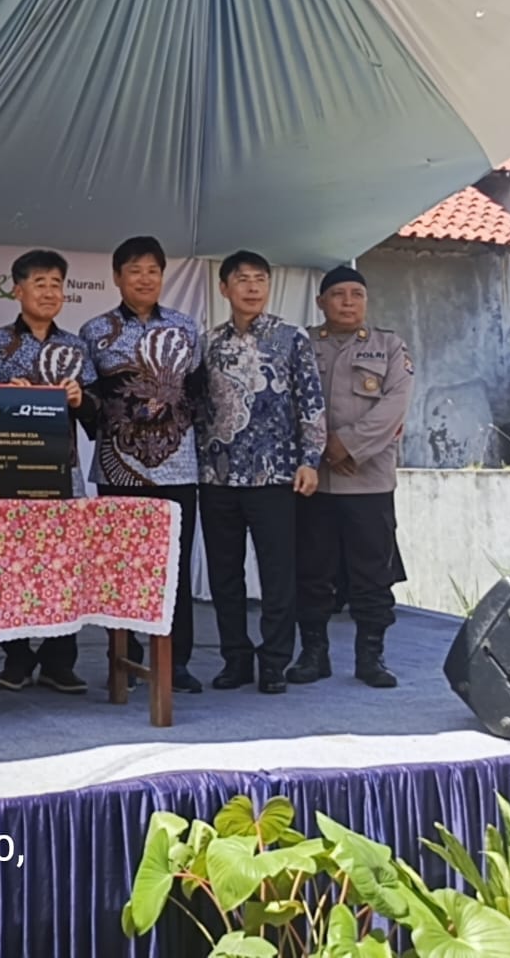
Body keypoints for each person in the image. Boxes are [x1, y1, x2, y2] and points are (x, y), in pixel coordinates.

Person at [195, 252, 325, 695]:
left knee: (277, 574)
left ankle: (274, 662)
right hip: (218, 476)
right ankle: (235, 659)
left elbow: (311, 401)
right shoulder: (208, 343)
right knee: (224, 575)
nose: (252, 287)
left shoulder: (291, 338)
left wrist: (311, 459)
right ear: (224, 288)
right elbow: (200, 408)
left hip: (275, 474)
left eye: (260, 280)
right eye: (242, 279)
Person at [80, 236, 205, 693]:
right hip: (119, 469)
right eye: (135, 270)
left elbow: (198, 394)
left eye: (153, 270)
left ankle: (177, 662)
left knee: (174, 567)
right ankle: (124, 656)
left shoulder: (186, 328)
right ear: (117, 277)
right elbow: (89, 401)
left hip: (178, 469)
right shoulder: (94, 331)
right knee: (121, 568)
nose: (145, 279)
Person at [0, 249, 97, 695]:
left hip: (64, 473)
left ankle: (60, 661)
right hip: (9, 474)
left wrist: (81, 399)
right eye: (39, 283)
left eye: (56, 284)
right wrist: (5, 397)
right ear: (17, 289)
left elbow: (97, 417)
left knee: (64, 567)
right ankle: (17, 658)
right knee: (12, 566)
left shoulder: (77, 348)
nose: (49, 292)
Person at [289, 266, 414, 689]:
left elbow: (394, 407)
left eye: (356, 294)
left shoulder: (389, 346)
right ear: (320, 302)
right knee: (311, 570)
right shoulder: (302, 344)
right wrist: (325, 448)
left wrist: (349, 446)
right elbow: (287, 403)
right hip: (314, 481)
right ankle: (313, 654)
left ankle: (371, 657)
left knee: (372, 573)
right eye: (338, 294)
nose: (347, 302)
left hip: (369, 480)